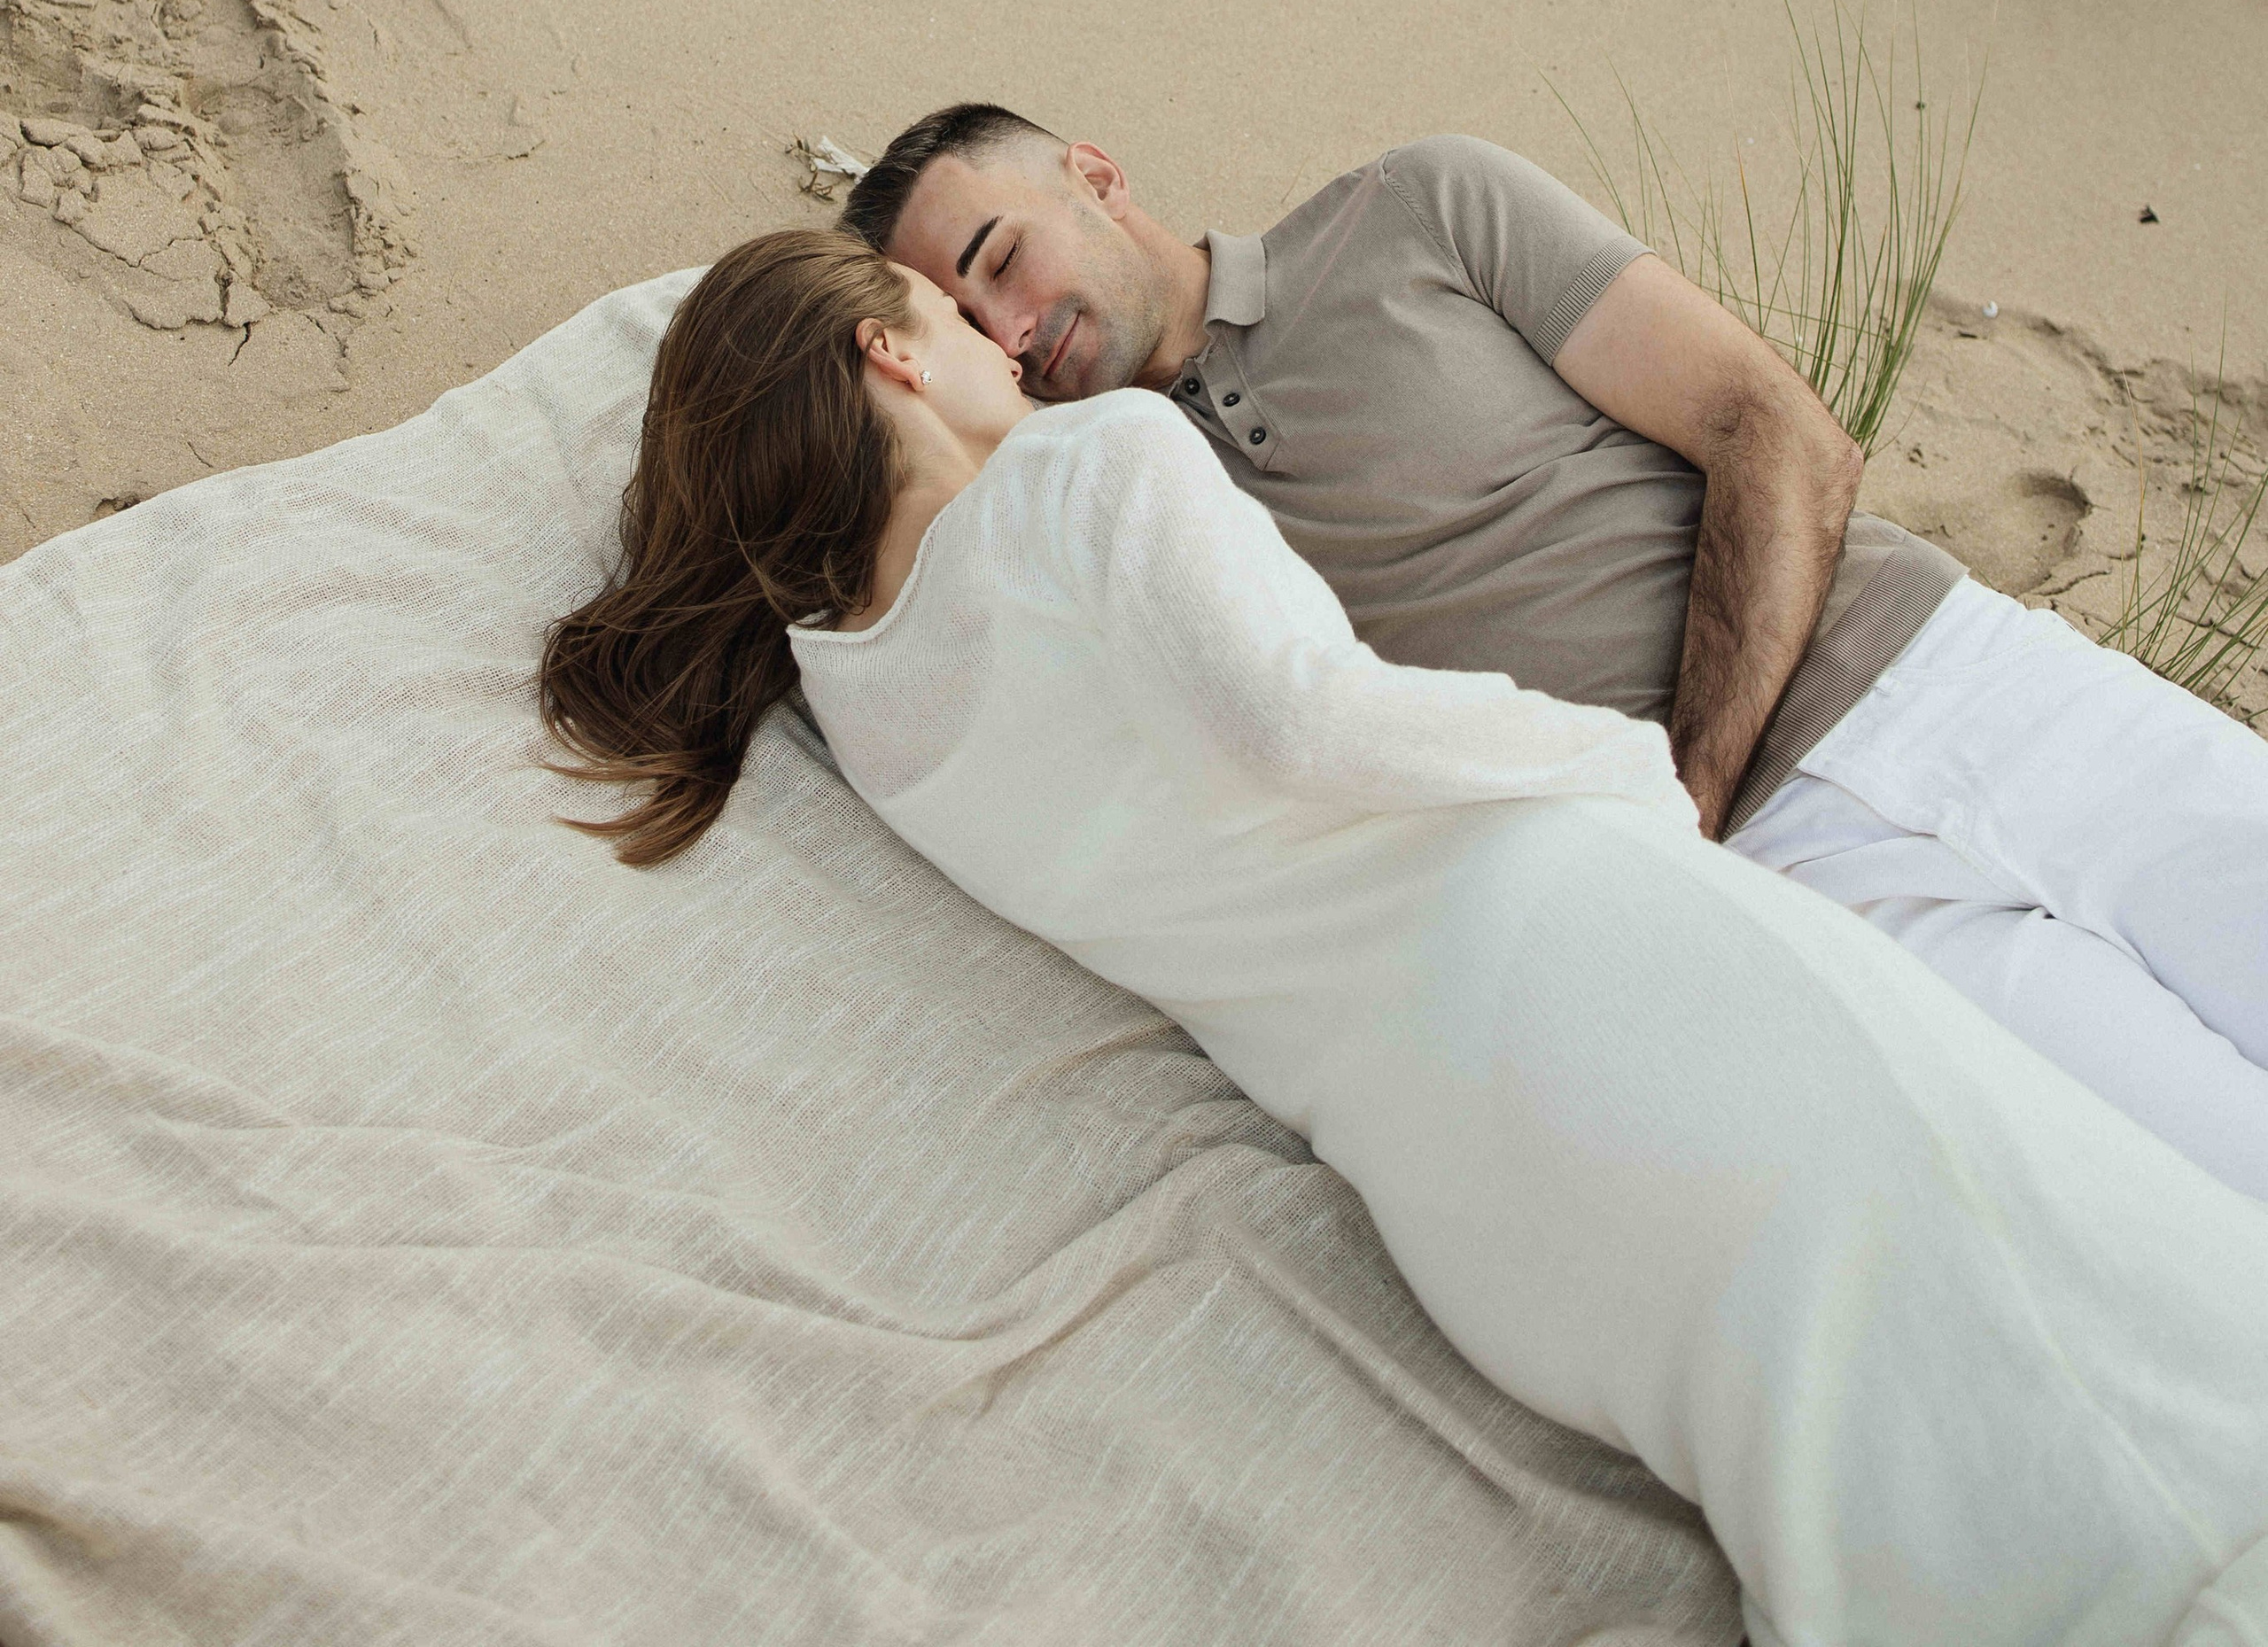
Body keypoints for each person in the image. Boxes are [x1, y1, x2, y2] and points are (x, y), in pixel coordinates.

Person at [540, 229, 2268, 1647]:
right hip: (1590, 960)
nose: (1008, 352)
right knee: (2106, 1338)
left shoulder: (863, 700)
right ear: (885, 357)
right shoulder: (1096, 462)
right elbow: (1306, 722)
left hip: (1438, 1161)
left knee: (1861, 1507)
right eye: (950, 319)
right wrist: (1615, 783)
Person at [843, 105, 2268, 1202]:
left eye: (1002, 260)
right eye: (972, 325)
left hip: (1962, 679)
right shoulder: (1115, 512)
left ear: (1093, 173)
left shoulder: (1414, 211)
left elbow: (1772, 430)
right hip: (1810, 898)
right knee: (2205, 1179)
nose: (1016, 329)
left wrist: (1692, 801)